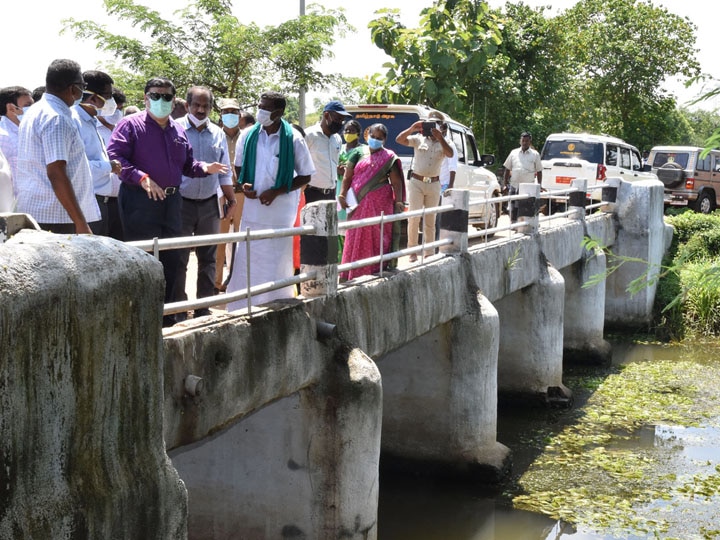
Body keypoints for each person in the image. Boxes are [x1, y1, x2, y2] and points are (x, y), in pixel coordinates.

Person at [107, 77, 228, 326]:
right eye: (155, 95)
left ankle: (169, 317)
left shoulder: (178, 130)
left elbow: (188, 165)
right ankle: (141, 319)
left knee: (173, 260)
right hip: (140, 201)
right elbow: (115, 159)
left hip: (173, 202)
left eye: (166, 97)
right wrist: (142, 178)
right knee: (143, 260)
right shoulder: (129, 125)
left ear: (174, 102)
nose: (161, 101)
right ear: (145, 98)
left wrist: (206, 167)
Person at [225, 91, 314, 311]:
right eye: (260, 106)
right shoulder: (247, 135)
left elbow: (306, 175)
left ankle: (275, 303)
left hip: (280, 214)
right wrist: (243, 184)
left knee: (276, 260)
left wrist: (277, 191)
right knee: (249, 258)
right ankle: (242, 305)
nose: (261, 111)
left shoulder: (293, 137)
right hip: (253, 212)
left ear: (279, 112)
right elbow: (238, 166)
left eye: (266, 108)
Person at [15, 59, 100, 234]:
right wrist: (80, 223)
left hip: (44, 213)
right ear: (72, 88)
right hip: (58, 217)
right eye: (82, 86)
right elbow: (56, 172)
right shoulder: (57, 118)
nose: (82, 91)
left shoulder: (36, 111)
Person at [174, 86, 235, 319]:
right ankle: (178, 309)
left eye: (205, 106)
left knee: (208, 258)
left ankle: (203, 307)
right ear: (188, 105)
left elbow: (224, 171)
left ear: (211, 108)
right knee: (178, 258)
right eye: (196, 105)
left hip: (210, 203)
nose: (201, 110)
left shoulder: (218, 133)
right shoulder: (175, 128)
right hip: (180, 202)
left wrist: (230, 198)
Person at [339, 123, 405, 281]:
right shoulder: (357, 152)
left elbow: (396, 182)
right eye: (373, 136)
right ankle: (350, 273)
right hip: (357, 201)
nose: (375, 140)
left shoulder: (389, 157)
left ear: (384, 140)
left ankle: (375, 269)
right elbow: (348, 177)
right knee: (354, 233)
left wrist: (399, 201)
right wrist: (342, 195)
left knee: (377, 234)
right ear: (367, 135)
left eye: (379, 138)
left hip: (380, 202)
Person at [72, 70, 124, 239]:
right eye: (108, 96)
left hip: (105, 204)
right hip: (89, 202)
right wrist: (109, 166)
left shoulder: (90, 121)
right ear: (93, 98)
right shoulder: (75, 122)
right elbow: (78, 167)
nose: (111, 102)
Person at [395, 110, 454, 262]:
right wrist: (412, 127)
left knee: (430, 219)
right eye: (429, 123)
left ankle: (429, 252)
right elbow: (399, 140)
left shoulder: (444, 142)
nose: (431, 127)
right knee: (413, 218)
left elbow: (450, 154)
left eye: (435, 124)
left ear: (440, 126)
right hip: (416, 182)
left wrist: (440, 138)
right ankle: (413, 251)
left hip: (434, 183)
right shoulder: (418, 139)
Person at [214, 97, 246, 293]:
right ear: (220, 115)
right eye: (226, 112)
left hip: (242, 193)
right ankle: (215, 282)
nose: (230, 116)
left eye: (234, 112)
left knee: (241, 239)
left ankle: (235, 280)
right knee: (219, 239)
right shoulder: (215, 135)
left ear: (240, 115)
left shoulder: (247, 136)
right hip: (220, 193)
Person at [303, 100, 352, 204]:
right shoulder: (309, 135)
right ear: (326, 115)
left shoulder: (337, 139)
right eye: (338, 118)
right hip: (311, 193)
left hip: (331, 194)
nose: (340, 123)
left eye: (342, 120)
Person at [336, 119, 368, 260]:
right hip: (338, 188)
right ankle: (337, 260)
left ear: (358, 134)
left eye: (351, 131)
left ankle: (349, 258)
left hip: (353, 191)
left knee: (350, 226)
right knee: (336, 226)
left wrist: (349, 172)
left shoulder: (362, 151)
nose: (348, 133)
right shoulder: (339, 148)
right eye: (346, 131)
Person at [503, 131, 542, 223]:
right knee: (513, 207)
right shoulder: (513, 153)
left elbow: (539, 171)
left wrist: (539, 186)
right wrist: (504, 184)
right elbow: (507, 169)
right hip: (514, 185)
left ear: (530, 142)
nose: (524, 143)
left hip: (528, 187)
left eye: (527, 141)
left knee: (525, 207)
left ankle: (525, 225)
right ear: (520, 141)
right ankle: (513, 224)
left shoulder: (535, 154)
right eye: (523, 141)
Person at [0, 86, 34, 185]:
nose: (33, 109)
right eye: (28, 105)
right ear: (11, 108)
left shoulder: (29, 130)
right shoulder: (3, 136)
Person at [439, 122, 458, 194]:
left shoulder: (449, 144)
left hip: (444, 184)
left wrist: (450, 186)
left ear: (445, 130)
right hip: (434, 184)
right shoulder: (434, 143)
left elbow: (453, 167)